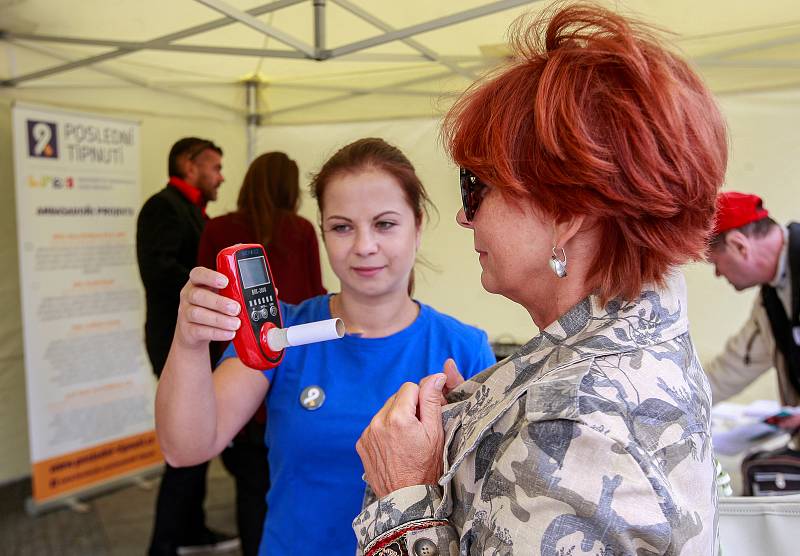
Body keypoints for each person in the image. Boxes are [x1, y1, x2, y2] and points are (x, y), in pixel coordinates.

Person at [352, 5, 727, 555]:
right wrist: (488, 417)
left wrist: (403, 498)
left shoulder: (577, 430)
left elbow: (580, 426)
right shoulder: (638, 324)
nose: (465, 215)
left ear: (566, 214)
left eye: (475, 186)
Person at [154, 137, 497, 556]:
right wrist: (188, 341)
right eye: (341, 227)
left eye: (385, 224)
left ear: (418, 226)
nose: (364, 246)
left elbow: (487, 507)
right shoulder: (282, 333)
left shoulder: (462, 347)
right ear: (321, 232)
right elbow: (185, 447)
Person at [196, 151, 326, 556]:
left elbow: (208, 310)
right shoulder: (301, 229)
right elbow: (313, 297)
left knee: (250, 489)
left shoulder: (217, 228)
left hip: (236, 366)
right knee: (293, 477)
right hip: (294, 368)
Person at [136, 137, 237, 556]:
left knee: (195, 446)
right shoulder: (162, 206)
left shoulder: (192, 210)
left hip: (197, 340)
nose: (220, 175)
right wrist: (212, 287)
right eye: (213, 167)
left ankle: (190, 530)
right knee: (183, 447)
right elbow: (159, 271)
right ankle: (163, 544)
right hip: (175, 341)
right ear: (187, 165)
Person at [705, 192, 800, 421]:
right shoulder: (771, 300)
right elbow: (733, 367)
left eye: (715, 262)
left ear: (739, 245)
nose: (718, 274)